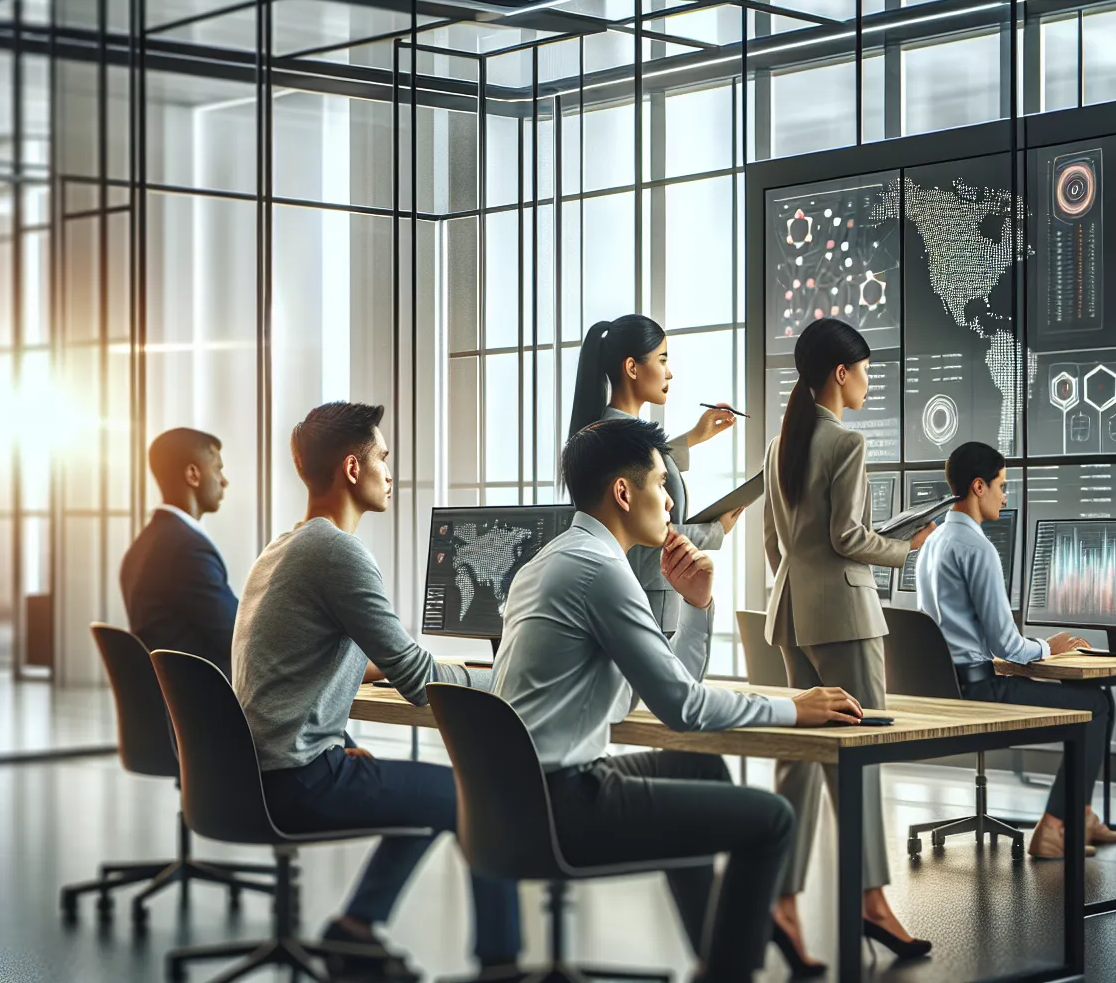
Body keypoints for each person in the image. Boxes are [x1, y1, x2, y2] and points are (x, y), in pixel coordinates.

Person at [493, 416, 863, 983]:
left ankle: (713, 956)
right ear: (624, 491)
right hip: (564, 804)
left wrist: (696, 605)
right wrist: (797, 707)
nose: (670, 501)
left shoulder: (552, 561)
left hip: (515, 799)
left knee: (692, 763)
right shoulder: (600, 573)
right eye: (662, 484)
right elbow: (684, 708)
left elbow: (669, 691)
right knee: (773, 821)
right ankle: (728, 973)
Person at [231, 402, 519, 978]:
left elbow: (308, 660)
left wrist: (364, 688)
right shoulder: (337, 551)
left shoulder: (285, 547)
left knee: (426, 794)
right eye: (383, 457)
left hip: (255, 771)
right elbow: (419, 680)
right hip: (299, 780)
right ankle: (502, 966)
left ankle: (355, 929)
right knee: (481, 792)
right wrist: (512, 678)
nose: (391, 471)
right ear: (352, 468)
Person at [763, 318, 937, 965]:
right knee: (858, 757)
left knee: (801, 761)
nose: (868, 381)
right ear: (841, 373)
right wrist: (904, 548)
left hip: (791, 614)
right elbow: (846, 539)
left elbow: (775, 546)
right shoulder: (846, 442)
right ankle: (871, 903)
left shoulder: (779, 443)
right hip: (844, 616)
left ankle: (780, 899)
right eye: (864, 369)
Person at [916, 441, 1116, 858]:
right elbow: (1007, 643)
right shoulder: (978, 548)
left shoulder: (933, 543)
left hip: (947, 683)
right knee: (1098, 705)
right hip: (979, 691)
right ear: (978, 487)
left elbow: (947, 630)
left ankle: (1080, 814)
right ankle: (1052, 829)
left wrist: (1006, 657)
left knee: (1096, 703)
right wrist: (1046, 648)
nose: (1005, 496)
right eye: (1001, 485)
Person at [569, 314, 742, 633]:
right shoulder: (618, 437)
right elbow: (647, 533)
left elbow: (641, 467)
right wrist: (716, 530)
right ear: (632, 368)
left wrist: (693, 437)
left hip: (647, 593)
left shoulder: (610, 433)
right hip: (649, 597)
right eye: (662, 359)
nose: (669, 373)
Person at [121, 428, 237, 675]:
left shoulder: (144, 544)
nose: (224, 480)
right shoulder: (187, 550)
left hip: (166, 697)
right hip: (201, 704)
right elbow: (237, 638)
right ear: (193, 475)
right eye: (218, 469)